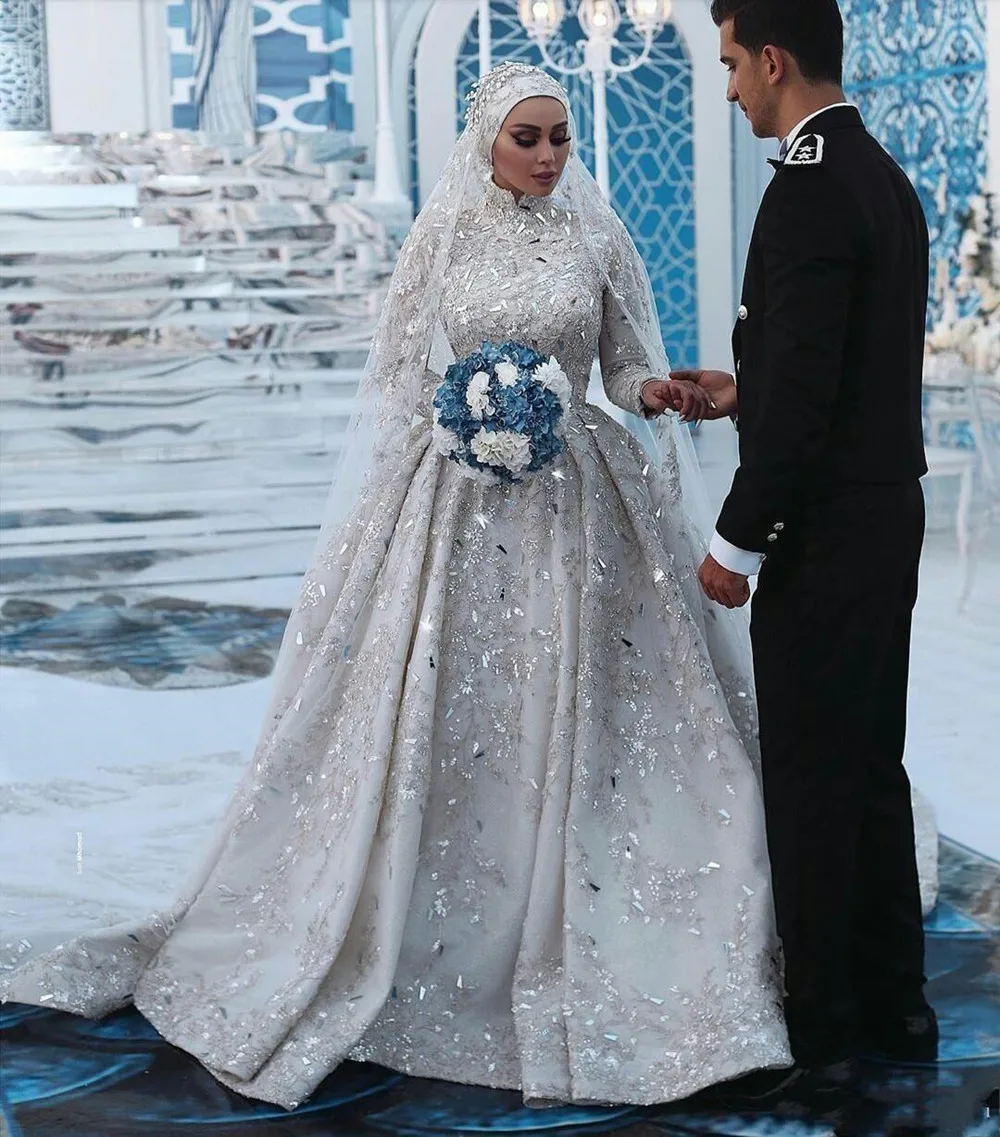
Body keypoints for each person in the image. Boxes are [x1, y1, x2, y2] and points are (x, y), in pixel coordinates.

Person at [0, 64, 792, 1109]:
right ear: (487, 141)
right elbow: (399, 372)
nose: (548, 157)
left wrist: (654, 389)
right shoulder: (444, 232)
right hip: (457, 494)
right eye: (528, 138)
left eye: (559, 137)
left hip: (579, 500)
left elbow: (621, 363)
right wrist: (467, 411)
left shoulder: (597, 236)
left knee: (597, 694)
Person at [673, 0, 938, 1106]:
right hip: (884, 513)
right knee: (870, 767)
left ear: (774, 60)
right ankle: (897, 1010)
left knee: (811, 782)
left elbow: (810, 405)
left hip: (823, 531)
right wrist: (751, 390)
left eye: (734, 63)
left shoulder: (808, 189)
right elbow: (843, 367)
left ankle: (824, 1030)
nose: (731, 86)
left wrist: (735, 539)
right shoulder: (879, 174)